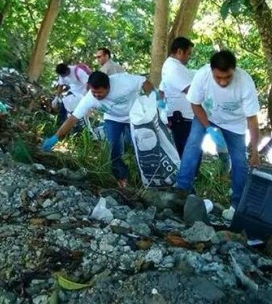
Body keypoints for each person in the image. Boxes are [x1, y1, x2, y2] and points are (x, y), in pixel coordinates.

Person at [174, 50, 260, 209]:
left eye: (227, 77)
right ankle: (182, 188)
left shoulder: (245, 82)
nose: (222, 82)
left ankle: (237, 204)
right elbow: (195, 103)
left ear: (235, 70)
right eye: (218, 77)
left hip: (234, 124)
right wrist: (208, 128)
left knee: (240, 161)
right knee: (193, 144)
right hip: (207, 116)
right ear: (211, 70)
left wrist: (255, 151)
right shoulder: (203, 75)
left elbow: (252, 120)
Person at [42, 71, 154, 188]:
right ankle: (122, 179)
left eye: (99, 92)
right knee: (113, 149)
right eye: (93, 91)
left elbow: (145, 82)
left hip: (135, 115)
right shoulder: (89, 98)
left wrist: (153, 102)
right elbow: (72, 119)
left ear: (108, 87)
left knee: (142, 146)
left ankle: (150, 178)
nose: (96, 95)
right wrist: (56, 137)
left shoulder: (123, 82)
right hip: (113, 119)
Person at [160, 37, 196, 157]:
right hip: (183, 119)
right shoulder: (174, 68)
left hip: (181, 117)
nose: (190, 57)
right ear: (179, 51)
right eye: (188, 53)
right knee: (188, 154)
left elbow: (161, 91)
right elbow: (192, 92)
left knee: (184, 153)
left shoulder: (171, 66)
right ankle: (187, 176)